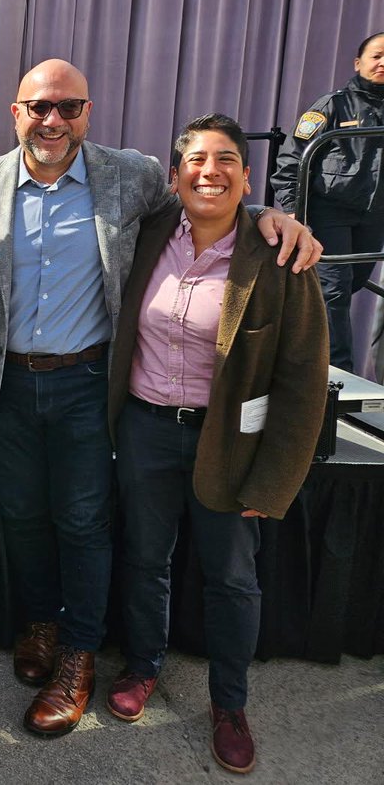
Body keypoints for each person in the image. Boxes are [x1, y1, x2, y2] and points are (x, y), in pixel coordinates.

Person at [0, 59, 320, 738]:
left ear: (87, 113)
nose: (53, 120)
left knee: (84, 522)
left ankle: (79, 653)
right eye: (39, 107)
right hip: (7, 386)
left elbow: (208, 200)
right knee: (22, 516)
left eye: (68, 107)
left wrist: (271, 217)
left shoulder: (134, 176)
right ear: (15, 112)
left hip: (88, 383)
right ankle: (40, 623)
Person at [106, 113, 328, 774]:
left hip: (228, 442)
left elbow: (302, 382)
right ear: (175, 176)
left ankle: (229, 704)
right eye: (197, 160)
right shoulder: (147, 234)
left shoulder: (280, 257)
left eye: (226, 159)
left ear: (247, 177)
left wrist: (273, 480)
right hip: (146, 429)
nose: (210, 171)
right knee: (145, 560)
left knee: (232, 578)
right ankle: (142, 666)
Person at [271, 31, 384, 373]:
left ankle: (304, 357)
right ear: (358, 63)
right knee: (332, 291)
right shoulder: (332, 105)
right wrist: (293, 211)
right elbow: (292, 161)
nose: (383, 63)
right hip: (329, 212)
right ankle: (337, 378)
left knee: (351, 283)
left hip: (374, 215)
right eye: (377, 56)